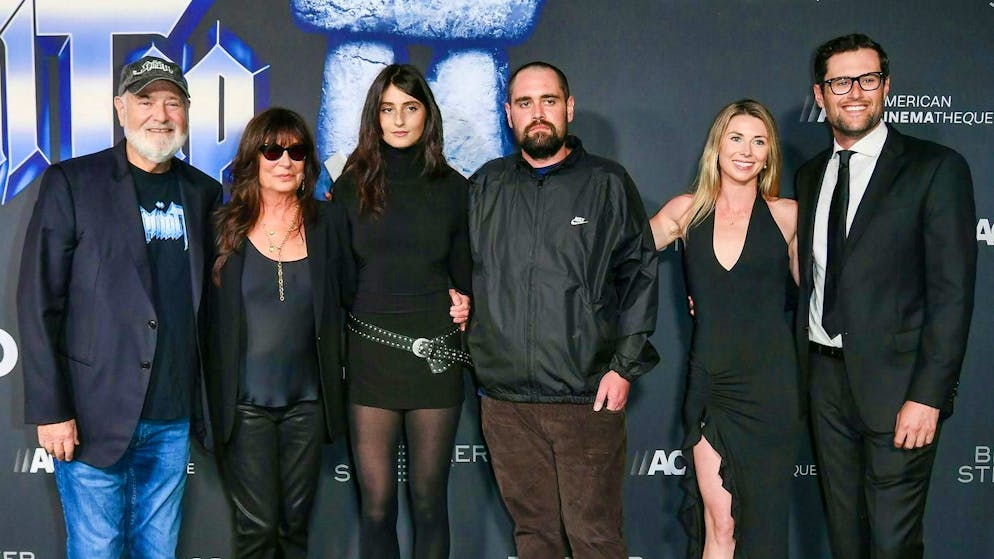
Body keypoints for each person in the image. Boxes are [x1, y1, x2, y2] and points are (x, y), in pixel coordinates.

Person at [18, 55, 221, 558]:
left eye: (173, 102)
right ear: (120, 108)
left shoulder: (204, 193)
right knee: (97, 549)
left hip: (173, 417)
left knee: (160, 550)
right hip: (91, 415)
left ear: (188, 113)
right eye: (146, 100)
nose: (160, 114)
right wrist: (52, 410)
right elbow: (39, 299)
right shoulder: (74, 183)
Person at [468, 61, 658, 559]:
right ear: (509, 114)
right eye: (525, 103)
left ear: (569, 107)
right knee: (534, 538)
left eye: (548, 101)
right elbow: (459, 271)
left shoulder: (608, 183)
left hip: (585, 396)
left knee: (594, 536)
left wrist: (624, 368)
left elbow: (639, 276)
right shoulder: (486, 186)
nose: (538, 114)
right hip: (506, 401)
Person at [796, 34, 976, 559]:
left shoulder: (935, 168)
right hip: (823, 381)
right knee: (844, 539)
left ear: (886, 86)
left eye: (867, 80)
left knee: (893, 543)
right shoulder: (810, 175)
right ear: (821, 93)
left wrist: (928, 395)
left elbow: (953, 295)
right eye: (840, 82)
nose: (854, 92)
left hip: (900, 389)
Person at [332, 63, 472, 559]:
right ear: (375, 116)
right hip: (371, 354)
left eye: (410, 108)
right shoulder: (350, 187)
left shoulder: (455, 189)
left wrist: (467, 303)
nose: (398, 119)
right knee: (376, 508)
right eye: (388, 109)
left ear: (426, 116)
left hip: (435, 353)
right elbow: (341, 280)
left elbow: (465, 273)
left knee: (430, 501)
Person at [650, 99, 800, 559]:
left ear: (769, 155)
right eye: (736, 138)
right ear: (717, 146)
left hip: (772, 388)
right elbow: (618, 261)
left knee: (766, 524)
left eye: (759, 142)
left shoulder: (788, 215)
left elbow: (823, 295)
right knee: (721, 522)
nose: (747, 151)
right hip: (711, 384)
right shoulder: (685, 210)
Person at [206, 107, 354, 559]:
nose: (285, 160)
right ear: (254, 158)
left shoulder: (329, 224)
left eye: (296, 150)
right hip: (244, 406)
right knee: (257, 533)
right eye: (273, 149)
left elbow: (355, 292)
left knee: (294, 531)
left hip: (308, 404)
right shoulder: (223, 226)